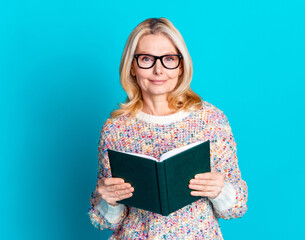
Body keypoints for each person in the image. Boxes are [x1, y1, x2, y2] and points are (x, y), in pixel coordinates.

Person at [88, 17, 248, 239]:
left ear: (181, 65)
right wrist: (109, 200)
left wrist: (220, 190)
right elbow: (105, 220)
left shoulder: (211, 120)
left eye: (169, 59)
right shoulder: (115, 128)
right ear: (132, 67)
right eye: (146, 59)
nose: (158, 70)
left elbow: (236, 207)